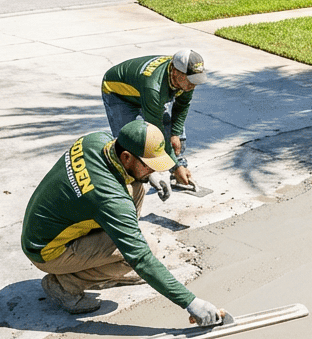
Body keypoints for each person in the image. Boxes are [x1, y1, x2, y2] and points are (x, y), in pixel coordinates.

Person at [20, 119, 225, 323]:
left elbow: (116, 178)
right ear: (126, 157)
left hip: (43, 228)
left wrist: (146, 176)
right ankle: (65, 284)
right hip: (47, 251)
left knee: (136, 186)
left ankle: (118, 245)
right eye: (150, 166)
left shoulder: (97, 140)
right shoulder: (109, 198)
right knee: (145, 250)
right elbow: (141, 258)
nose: (154, 170)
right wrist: (191, 302)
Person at [101, 50, 205, 188]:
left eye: (196, 79)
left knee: (175, 135)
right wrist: (175, 166)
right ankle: (127, 183)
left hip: (143, 90)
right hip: (118, 93)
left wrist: (175, 133)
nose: (194, 84)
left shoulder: (186, 79)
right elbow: (157, 133)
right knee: (127, 142)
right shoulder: (154, 87)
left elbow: (182, 106)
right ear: (175, 72)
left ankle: (176, 174)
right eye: (190, 79)